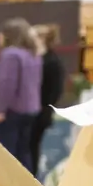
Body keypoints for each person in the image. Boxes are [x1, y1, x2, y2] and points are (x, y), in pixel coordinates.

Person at [0, 17, 43, 173]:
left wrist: (0, 110)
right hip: (30, 109)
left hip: (11, 111)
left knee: (5, 155)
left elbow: (7, 84)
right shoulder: (33, 54)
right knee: (24, 153)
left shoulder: (10, 55)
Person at [30, 23, 67, 177]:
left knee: (32, 147)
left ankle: (31, 176)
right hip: (33, 109)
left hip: (40, 112)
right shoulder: (37, 59)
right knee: (29, 147)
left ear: (41, 39)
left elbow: (55, 89)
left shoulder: (51, 61)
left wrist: (43, 106)